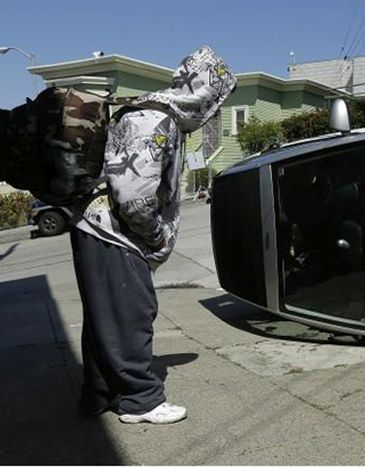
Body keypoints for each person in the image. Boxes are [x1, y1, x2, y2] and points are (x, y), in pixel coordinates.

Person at [70, 47, 235, 424]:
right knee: (132, 314)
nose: (212, 109)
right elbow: (132, 196)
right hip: (115, 233)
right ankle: (140, 400)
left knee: (105, 316)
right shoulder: (156, 121)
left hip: (94, 228)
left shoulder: (150, 111)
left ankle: (97, 394)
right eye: (215, 100)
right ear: (204, 94)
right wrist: (157, 236)